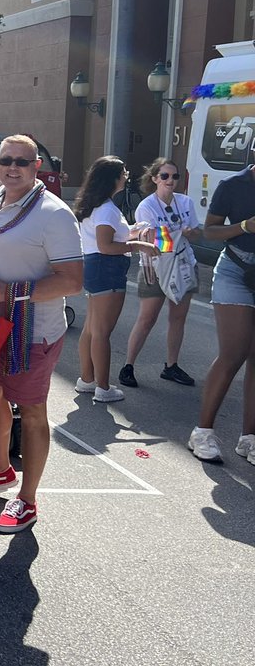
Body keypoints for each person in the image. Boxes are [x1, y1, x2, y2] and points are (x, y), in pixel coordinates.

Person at [0, 135, 82, 533]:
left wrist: (9, 292)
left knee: (31, 412)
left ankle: (27, 499)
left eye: (22, 162)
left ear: (37, 168)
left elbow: (72, 282)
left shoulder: (55, 214)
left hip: (34, 332)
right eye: (6, 161)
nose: (13, 168)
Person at [72, 156, 157, 403]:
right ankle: (103, 386)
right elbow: (107, 245)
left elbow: (109, 236)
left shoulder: (97, 205)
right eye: (124, 172)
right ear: (114, 178)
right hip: (106, 268)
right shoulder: (107, 209)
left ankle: (87, 380)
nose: (127, 175)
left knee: (91, 328)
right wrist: (140, 245)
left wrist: (133, 230)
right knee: (101, 332)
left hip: (96, 267)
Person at [190, 159, 255, 464]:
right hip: (234, 270)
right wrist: (244, 226)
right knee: (234, 352)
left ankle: (249, 438)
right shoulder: (233, 185)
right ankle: (202, 431)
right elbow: (210, 231)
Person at [120, 158, 201, 388]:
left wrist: (188, 232)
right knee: (147, 319)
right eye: (165, 176)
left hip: (184, 264)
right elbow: (151, 238)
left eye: (175, 176)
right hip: (154, 267)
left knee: (178, 318)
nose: (170, 181)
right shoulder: (147, 206)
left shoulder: (185, 202)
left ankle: (171, 366)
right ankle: (128, 366)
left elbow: (196, 234)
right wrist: (176, 233)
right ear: (154, 179)